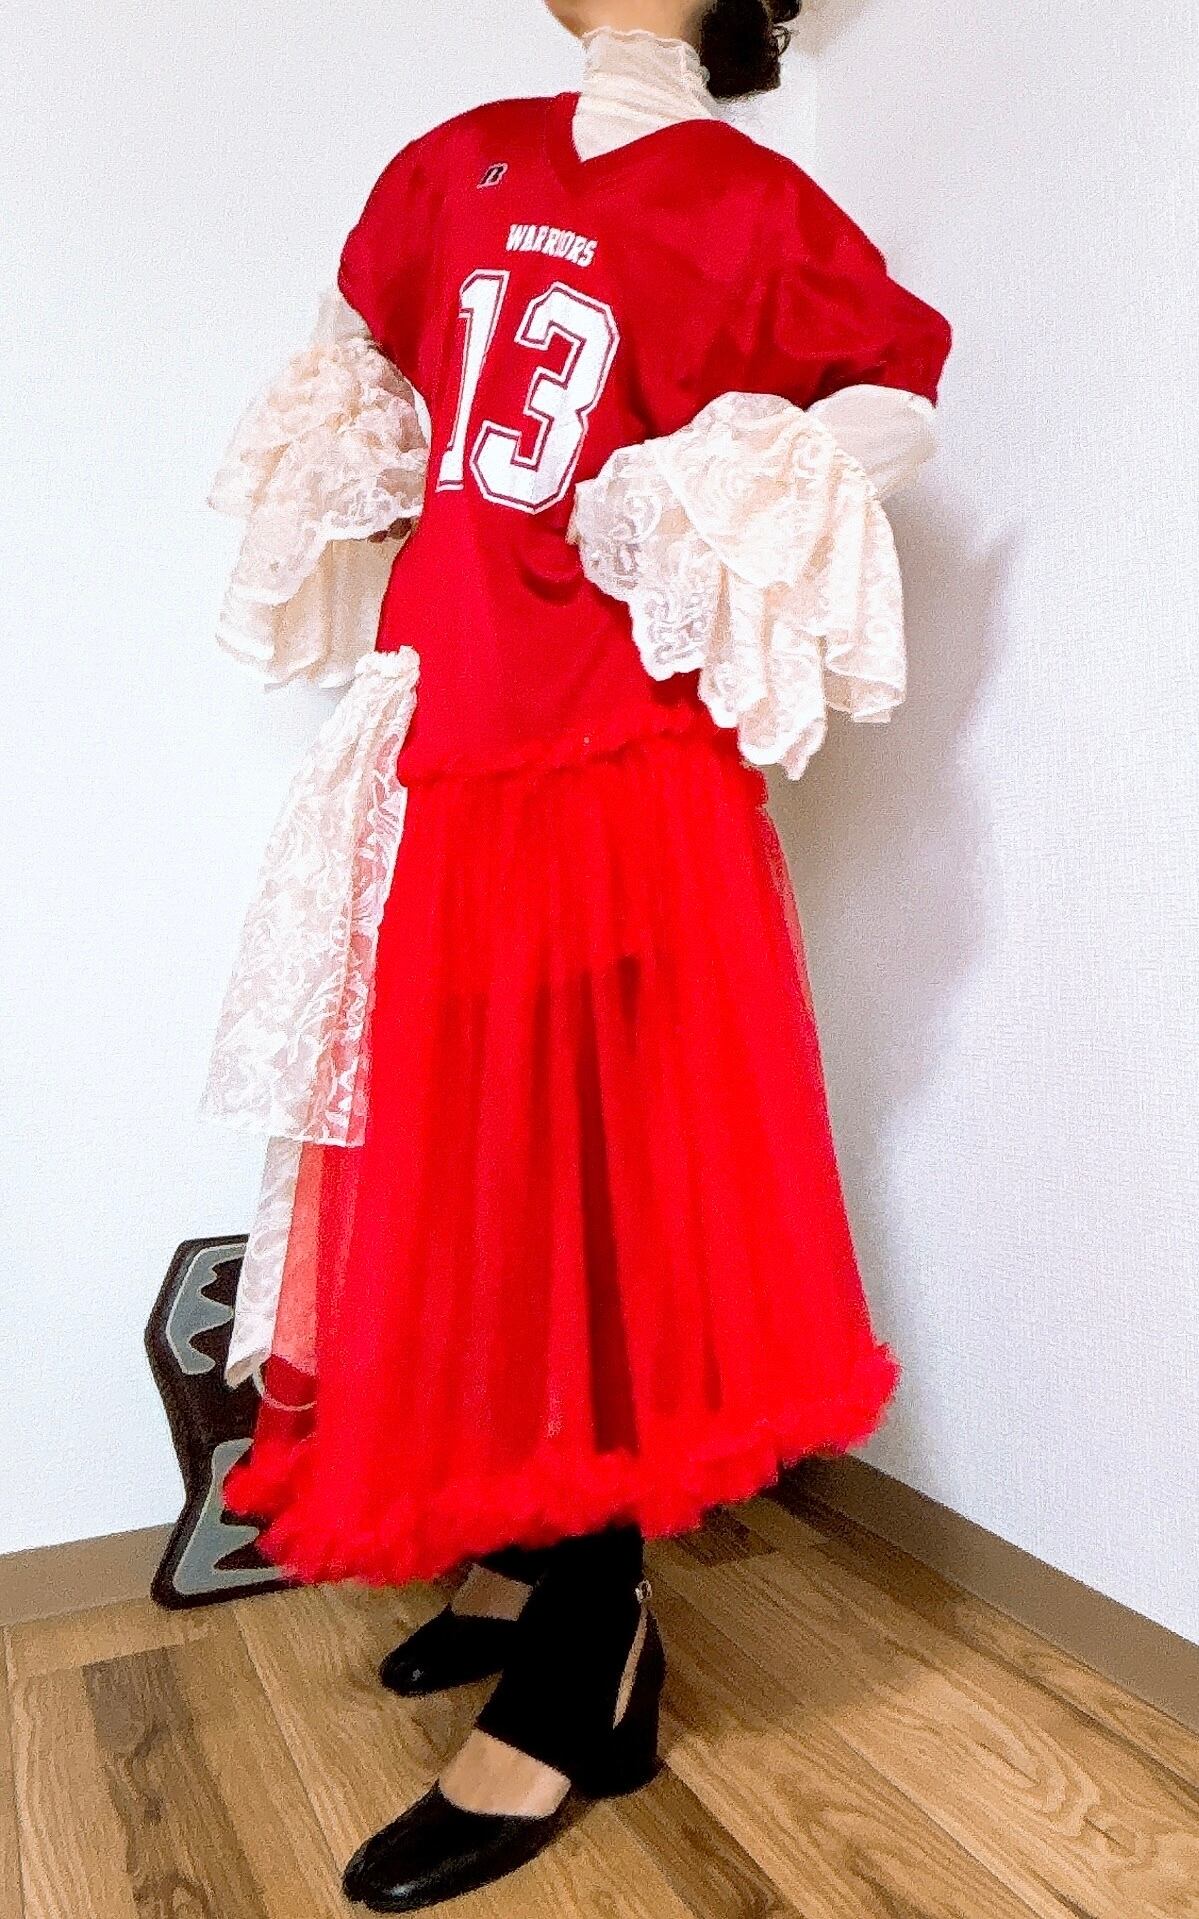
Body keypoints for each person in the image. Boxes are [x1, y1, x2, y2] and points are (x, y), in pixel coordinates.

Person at [200, 1, 952, 1907]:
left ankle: (590, 1646)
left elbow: (901, 388)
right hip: (449, 730)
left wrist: (709, 488)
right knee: (473, 1161)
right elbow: (360, 356)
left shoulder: (754, 205)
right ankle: (540, 1548)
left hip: (618, 759)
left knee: (604, 1172)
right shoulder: (461, 159)